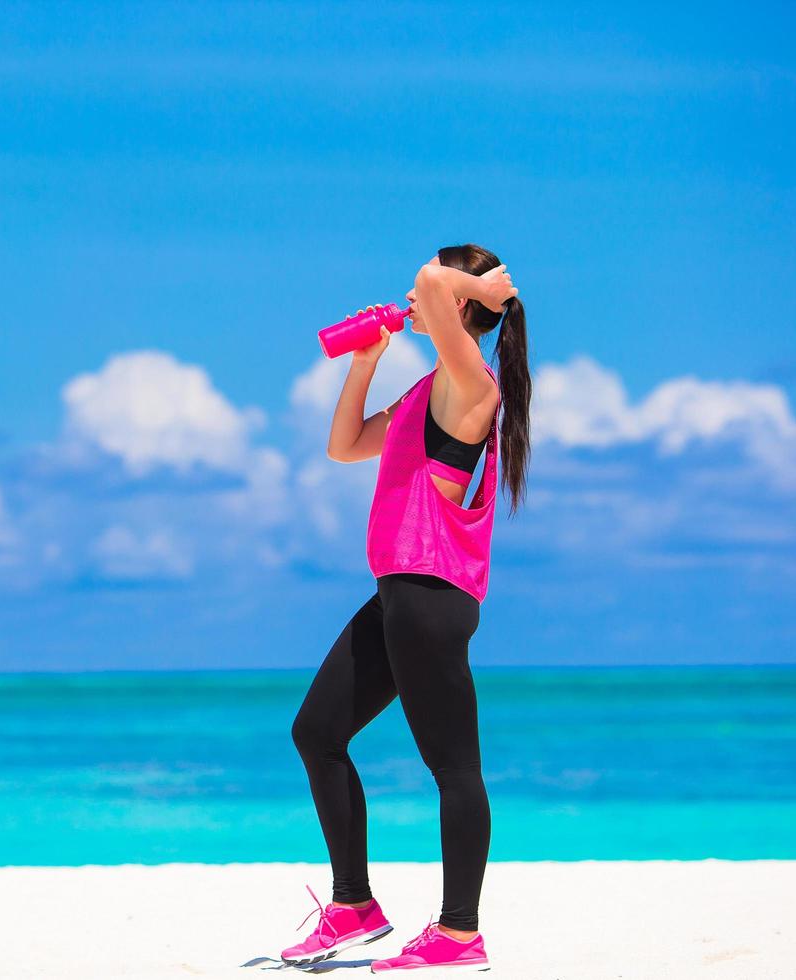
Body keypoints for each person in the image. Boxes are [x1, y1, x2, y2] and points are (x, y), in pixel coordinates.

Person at [280, 244, 530, 974]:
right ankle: (354, 906)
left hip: (431, 595)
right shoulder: (428, 389)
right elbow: (345, 445)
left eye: (429, 290)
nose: (411, 297)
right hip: (397, 592)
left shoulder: (470, 381)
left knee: (453, 768)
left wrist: (471, 284)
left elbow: (429, 283)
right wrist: (364, 362)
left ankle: (459, 934)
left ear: (459, 304)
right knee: (316, 732)